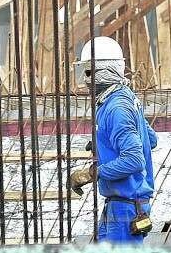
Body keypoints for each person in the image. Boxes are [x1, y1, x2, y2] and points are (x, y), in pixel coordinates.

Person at [69, 36, 158, 244]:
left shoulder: (117, 108)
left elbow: (135, 159)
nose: (85, 79)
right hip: (122, 205)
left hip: (125, 209)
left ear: (102, 71)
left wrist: (92, 173)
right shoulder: (124, 97)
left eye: (88, 72)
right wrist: (104, 142)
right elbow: (150, 139)